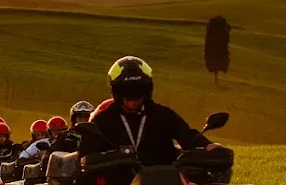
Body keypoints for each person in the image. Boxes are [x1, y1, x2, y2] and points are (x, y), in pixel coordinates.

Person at [85, 56, 218, 165]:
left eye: (139, 89)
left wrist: (208, 146)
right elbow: (86, 154)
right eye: (126, 90)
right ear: (116, 92)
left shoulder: (163, 115)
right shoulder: (102, 120)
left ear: (148, 90)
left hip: (166, 182)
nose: (134, 97)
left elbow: (187, 135)